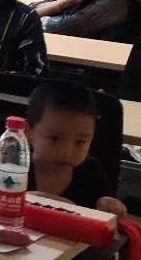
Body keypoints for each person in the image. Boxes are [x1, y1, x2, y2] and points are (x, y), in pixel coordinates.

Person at [26, 80, 126, 218]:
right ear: (28, 131)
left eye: (80, 142)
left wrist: (111, 207)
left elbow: (104, 220)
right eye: (54, 138)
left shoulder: (93, 174)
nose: (67, 152)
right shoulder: (12, 165)